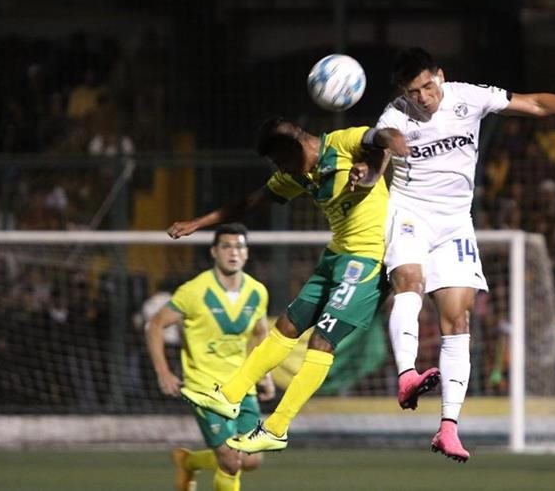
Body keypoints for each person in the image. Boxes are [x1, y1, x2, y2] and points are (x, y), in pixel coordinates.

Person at [353, 47, 555, 461]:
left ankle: (448, 427)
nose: (425, 97)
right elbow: (379, 154)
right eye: (415, 92)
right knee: (409, 281)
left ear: (440, 76)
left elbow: (533, 103)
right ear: (403, 94)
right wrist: (368, 174)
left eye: (429, 85)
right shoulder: (395, 118)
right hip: (410, 215)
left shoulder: (469, 96)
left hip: (456, 223)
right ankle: (407, 375)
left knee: (458, 317)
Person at [166, 116, 409, 454]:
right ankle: (228, 396)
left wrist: (391, 140)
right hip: (336, 257)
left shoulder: (342, 143)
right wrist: (198, 223)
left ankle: (277, 428)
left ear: (294, 147)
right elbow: (248, 204)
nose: (280, 169)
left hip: (369, 261)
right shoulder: (298, 175)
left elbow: (379, 137)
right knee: (287, 325)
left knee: (322, 342)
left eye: (280, 161)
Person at [146, 223, 274, 491]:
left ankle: (189, 462)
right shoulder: (194, 291)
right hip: (205, 388)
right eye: (226, 246)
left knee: (250, 460)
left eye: (239, 246)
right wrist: (164, 372)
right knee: (230, 460)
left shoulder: (257, 291)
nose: (233, 252)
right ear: (214, 252)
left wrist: (266, 374)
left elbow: (261, 333)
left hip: (242, 387)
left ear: (247, 253)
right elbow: (155, 325)